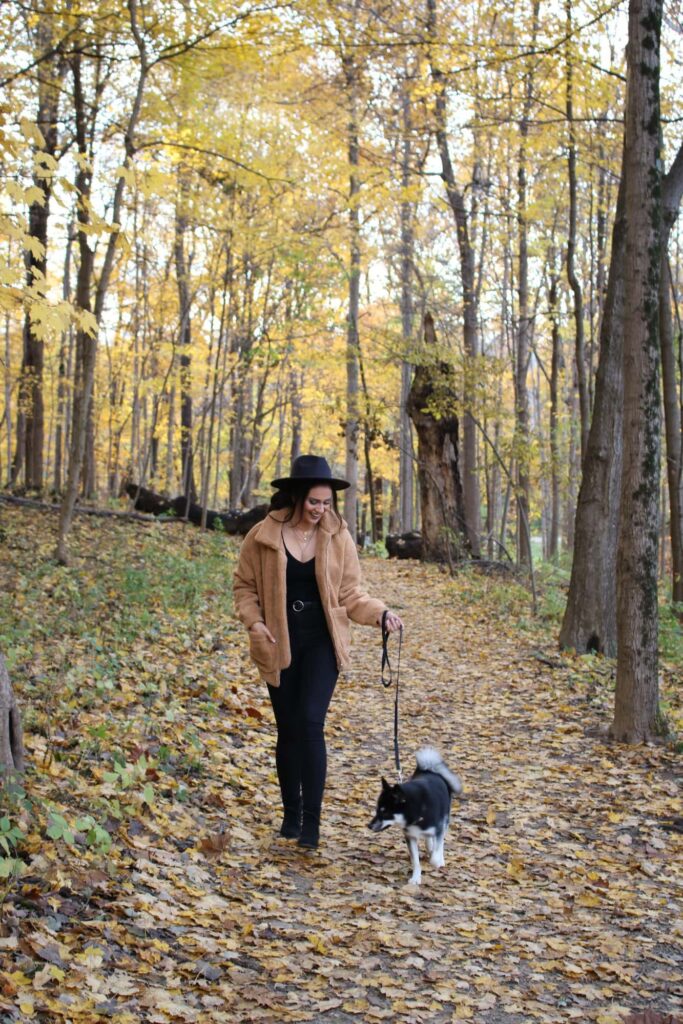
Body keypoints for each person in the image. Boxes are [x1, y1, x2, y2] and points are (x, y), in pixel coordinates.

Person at [233, 454, 403, 850]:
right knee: (288, 730)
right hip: (278, 641)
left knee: (310, 724)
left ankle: (312, 822)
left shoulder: (337, 536)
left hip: (322, 641)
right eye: (314, 502)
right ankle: (290, 814)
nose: (320, 510)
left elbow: (350, 593)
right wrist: (255, 623)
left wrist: (381, 614)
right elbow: (243, 587)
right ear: (296, 497)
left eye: (326, 503)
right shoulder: (262, 535)